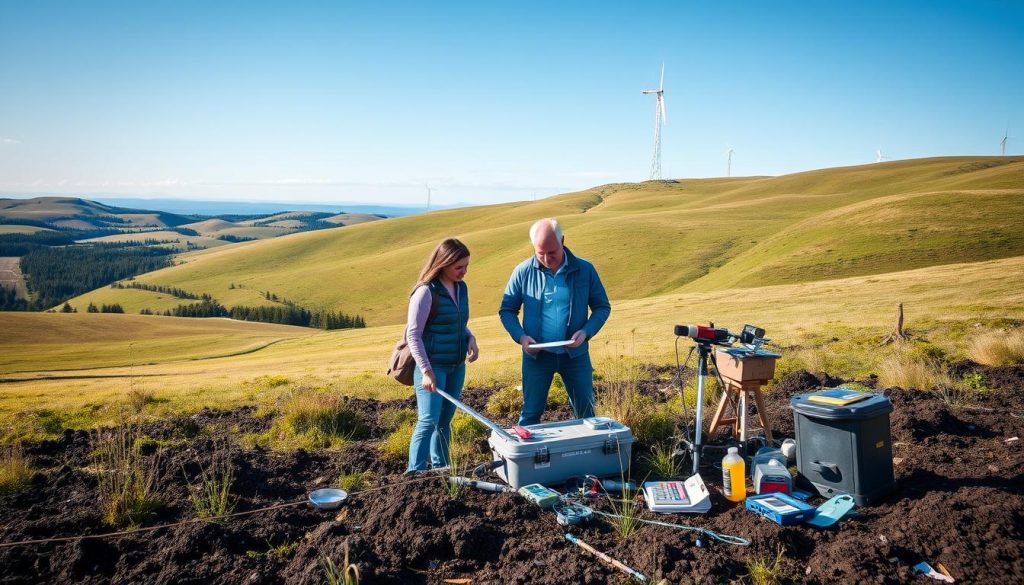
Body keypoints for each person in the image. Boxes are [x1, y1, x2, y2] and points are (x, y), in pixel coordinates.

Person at [499, 218, 611, 426]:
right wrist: (521, 337)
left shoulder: (585, 270)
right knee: (530, 413)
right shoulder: (522, 272)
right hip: (536, 357)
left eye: (552, 252)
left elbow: (602, 307)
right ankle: (525, 457)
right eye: (540, 253)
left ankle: (586, 456)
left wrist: (586, 332)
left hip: (575, 356)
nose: (547, 259)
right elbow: (507, 310)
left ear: (563, 241)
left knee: (586, 413)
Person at [405, 238, 480, 472]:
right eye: (459, 267)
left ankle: (442, 468)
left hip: (456, 365)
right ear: (444, 264)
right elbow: (413, 335)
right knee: (428, 421)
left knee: (445, 422)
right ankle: (414, 473)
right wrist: (426, 372)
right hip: (433, 366)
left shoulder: (461, 288)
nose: (464, 272)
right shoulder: (426, 292)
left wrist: (471, 337)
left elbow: (457, 322)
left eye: (466, 266)